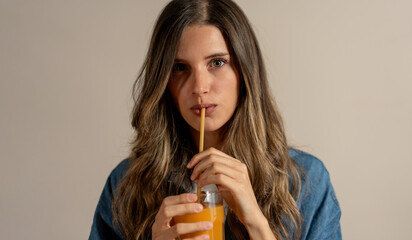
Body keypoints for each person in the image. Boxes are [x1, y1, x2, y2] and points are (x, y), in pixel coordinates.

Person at [89, 0, 342, 239]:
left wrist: (255, 222)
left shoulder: (307, 183)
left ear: (244, 71)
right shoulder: (126, 185)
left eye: (217, 62)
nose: (199, 87)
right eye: (180, 68)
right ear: (164, 81)